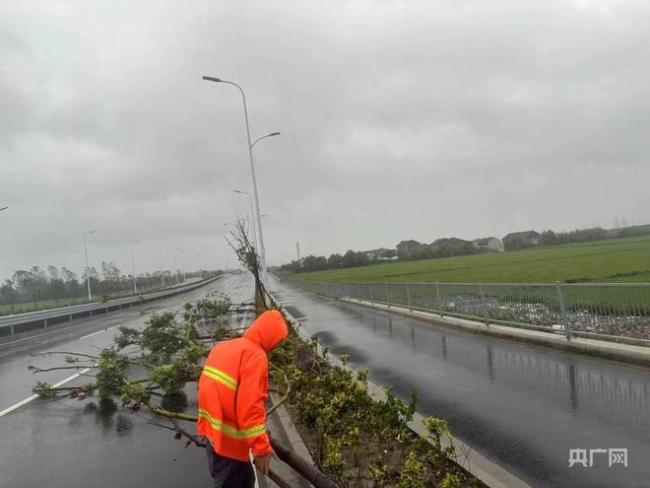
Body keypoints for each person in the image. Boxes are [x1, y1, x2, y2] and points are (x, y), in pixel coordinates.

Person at [197, 309, 289, 488]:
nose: (276, 346)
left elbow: (208, 389)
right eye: (278, 340)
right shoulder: (255, 356)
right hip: (229, 446)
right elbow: (250, 410)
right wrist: (261, 449)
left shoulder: (226, 347)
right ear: (272, 336)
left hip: (213, 436)